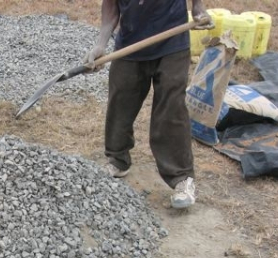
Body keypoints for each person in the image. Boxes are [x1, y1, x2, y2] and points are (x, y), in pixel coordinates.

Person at [85, 0, 212, 209]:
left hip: (172, 39)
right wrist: (101, 44)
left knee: (171, 106)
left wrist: (197, 7)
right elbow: (110, 5)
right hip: (131, 41)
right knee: (121, 99)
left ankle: (181, 178)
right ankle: (118, 160)